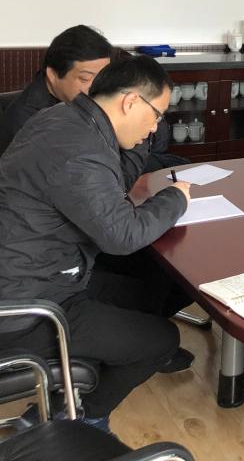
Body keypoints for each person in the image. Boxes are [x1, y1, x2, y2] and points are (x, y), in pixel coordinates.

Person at [0, 56, 192, 431]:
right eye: (156, 115)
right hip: (26, 309)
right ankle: (78, 419)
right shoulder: (80, 150)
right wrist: (175, 199)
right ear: (131, 102)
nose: (155, 128)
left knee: (153, 290)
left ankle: (88, 374)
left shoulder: (63, 119)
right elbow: (122, 235)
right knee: (162, 338)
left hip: (41, 273)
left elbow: (108, 196)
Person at [0, 25, 184, 172]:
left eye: (103, 75)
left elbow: (158, 139)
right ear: (53, 75)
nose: (97, 85)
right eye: (85, 79)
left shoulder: (92, 99)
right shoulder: (29, 121)